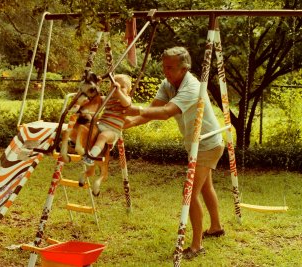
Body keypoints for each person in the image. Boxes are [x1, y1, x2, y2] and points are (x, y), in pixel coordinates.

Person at [124, 46, 225, 259]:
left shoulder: (192, 87)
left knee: (190, 192)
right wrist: (130, 122)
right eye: (164, 67)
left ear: (184, 68)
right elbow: (154, 108)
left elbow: (166, 112)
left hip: (207, 144)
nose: (165, 71)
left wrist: (135, 110)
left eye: (170, 68)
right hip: (196, 143)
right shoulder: (168, 84)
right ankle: (216, 227)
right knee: (205, 187)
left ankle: (197, 245)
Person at [84, 74, 132, 165]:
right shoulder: (107, 99)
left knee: (103, 136)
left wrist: (119, 91)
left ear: (128, 91)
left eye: (122, 87)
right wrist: (97, 84)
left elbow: (126, 104)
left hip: (113, 131)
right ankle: (75, 142)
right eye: (114, 86)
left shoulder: (127, 99)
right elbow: (95, 98)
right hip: (100, 125)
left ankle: (91, 156)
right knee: (87, 128)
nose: (117, 88)